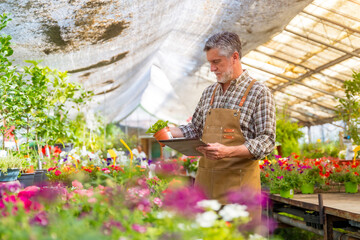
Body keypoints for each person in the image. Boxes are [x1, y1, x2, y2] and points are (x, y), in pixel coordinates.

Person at [169, 32, 276, 224]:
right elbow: (196, 129)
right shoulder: (210, 92)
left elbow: (267, 141)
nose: (211, 68)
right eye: (210, 62)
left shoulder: (259, 92)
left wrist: (228, 151)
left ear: (235, 57)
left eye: (216, 62)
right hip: (205, 188)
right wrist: (170, 132)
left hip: (239, 192)